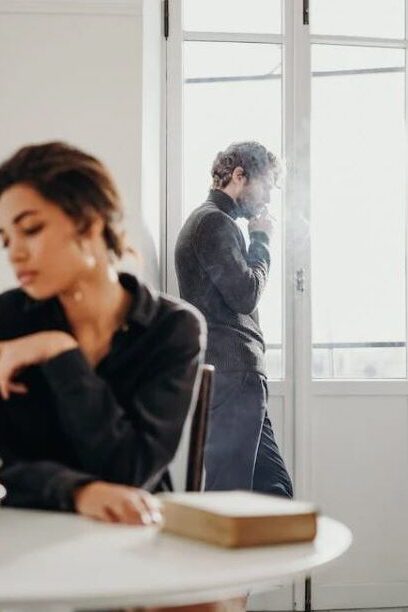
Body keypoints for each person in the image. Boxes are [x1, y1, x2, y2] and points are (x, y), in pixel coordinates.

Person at [0, 141, 205, 525]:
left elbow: (132, 473)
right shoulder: (7, 318)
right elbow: (5, 468)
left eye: (30, 229)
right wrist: (77, 491)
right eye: (6, 239)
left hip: (131, 539)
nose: (14, 254)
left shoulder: (172, 329)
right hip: (21, 537)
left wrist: (58, 352)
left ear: (91, 222)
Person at [175, 141, 292, 497]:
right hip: (232, 374)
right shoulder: (213, 221)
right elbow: (245, 294)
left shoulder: (213, 221)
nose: (268, 200)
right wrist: (261, 240)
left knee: (275, 491)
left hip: (236, 375)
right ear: (239, 175)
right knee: (230, 495)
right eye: (266, 186)